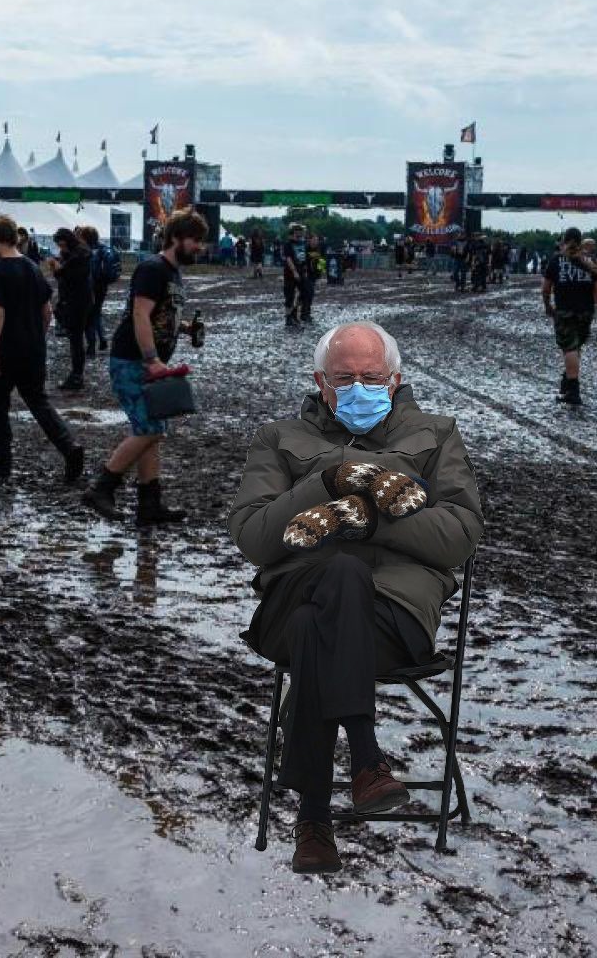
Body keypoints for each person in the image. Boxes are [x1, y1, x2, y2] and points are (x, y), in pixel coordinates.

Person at [228, 321, 482, 873]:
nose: (359, 386)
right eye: (345, 377)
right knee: (336, 579)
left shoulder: (436, 435)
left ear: (394, 380)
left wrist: (367, 523)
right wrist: (328, 483)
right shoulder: (278, 438)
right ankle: (366, 759)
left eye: (372, 376)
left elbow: (460, 536)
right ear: (321, 382)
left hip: (392, 619)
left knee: (321, 620)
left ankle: (313, 818)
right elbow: (252, 537)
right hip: (293, 597)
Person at [82, 207, 208, 524]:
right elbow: (139, 314)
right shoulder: (153, 269)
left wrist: (185, 329)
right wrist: (151, 359)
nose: (199, 247)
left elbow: (159, 316)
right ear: (176, 237)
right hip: (132, 359)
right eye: (195, 240)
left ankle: (149, 506)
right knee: (151, 429)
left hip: (148, 361)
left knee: (150, 430)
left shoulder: (171, 273)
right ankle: (101, 488)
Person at [0, 215, 84, 483]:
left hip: (6, 349)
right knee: (39, 403)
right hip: (33, 349)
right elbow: (47, 311)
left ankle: (2, 466)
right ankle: (69, 448)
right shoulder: (32, 267)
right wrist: (38, 336)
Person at [542, 227, 597, 406]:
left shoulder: (556, 260)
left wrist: (547, 305)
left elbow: (546, 288)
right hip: (585, 311)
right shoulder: (592, 261)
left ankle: (573, 389)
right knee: (576, 346)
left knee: (569, 348)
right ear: (581, 241)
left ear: (564, 240)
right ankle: (568, 377)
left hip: (565, 310)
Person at [48, 227, 93, 390]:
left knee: (76, 340)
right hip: (78, 300)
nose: (60, 247)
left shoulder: (78, 257)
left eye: (61, 244)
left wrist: (56, 266)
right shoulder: (79, 253)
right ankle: (76, 374)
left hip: (77, 301)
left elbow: (65, 276)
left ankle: (76, 376)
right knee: (76, 339)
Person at [81, 225, 120, 357]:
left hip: (91, 287)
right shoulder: (103, 249)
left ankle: (92, 346)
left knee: (89, 316)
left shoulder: (88, 251)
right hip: (102, 286)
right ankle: (102, 339)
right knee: (96, 312)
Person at [281, 223, 308, 328]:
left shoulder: (302, 243)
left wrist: (304, 270)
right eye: (297, 231)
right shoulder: (288, 244)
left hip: (301, 272)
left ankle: (294, 312)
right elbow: (288, 259)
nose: (300, 233)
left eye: (301, 231)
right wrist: (294, 271)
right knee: (289, 296)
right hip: (290, 274)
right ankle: (288, 317)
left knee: (304, 293)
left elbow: (304, 257)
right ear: (293, 233)